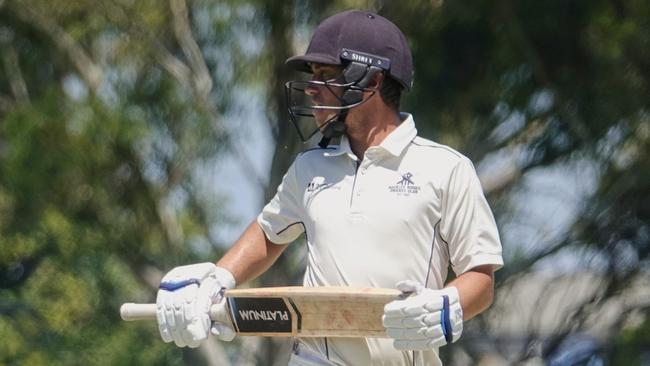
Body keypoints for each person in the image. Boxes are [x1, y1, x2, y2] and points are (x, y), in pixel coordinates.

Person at [155, 10, 503, 366]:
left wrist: (447, 306)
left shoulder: (446, 168)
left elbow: (480, 277)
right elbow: (269, 232)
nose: (311, 88)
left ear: (371, 80)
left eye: (326, 75)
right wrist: (218, 279)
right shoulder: (310, 167)